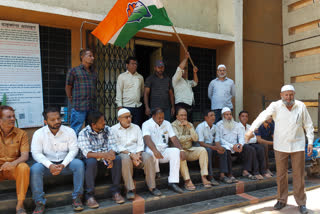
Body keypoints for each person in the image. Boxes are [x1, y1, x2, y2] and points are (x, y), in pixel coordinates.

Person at [245, 85, 314, 214]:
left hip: (298, 145)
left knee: (298, 175)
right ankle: (282, 200)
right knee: (281, 175)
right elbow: (263, 116)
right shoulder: (275, 105)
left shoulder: (301, 106)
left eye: (291, 94)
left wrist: (310, 142)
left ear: (294, 94)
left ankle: (301, 202)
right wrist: (250, 130)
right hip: (281, 145)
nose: (289, 98)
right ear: (281, 95)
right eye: (286, 95)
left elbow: (308, 125)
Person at [31, 106, 84, 214]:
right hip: (47, 166)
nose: (57, 121)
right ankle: (39, 202)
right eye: (53, 120)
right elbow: (36, 153)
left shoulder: (69, 131)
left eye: (58, 118)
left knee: (79, 164)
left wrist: (63, 164)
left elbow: (74, 150)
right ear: (45, 121)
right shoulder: (38, 133)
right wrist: (49, 165)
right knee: (35, 169)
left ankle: (77, 197)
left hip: (66, 164)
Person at [77, 111, 124, 207]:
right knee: (91, 161)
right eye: (101, 121)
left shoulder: (108, 129)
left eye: (104, 120)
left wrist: (110, 156)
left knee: (117, 159)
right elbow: (88, 153)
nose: (104, 123)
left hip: (105, 159)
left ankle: (116, 192)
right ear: (93, 124)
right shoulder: (83, 133)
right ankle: (89, 196)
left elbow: (113, 146)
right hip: (92, 160)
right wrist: (105, 155)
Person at [111, 108, 161, 199]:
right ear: (119, 119)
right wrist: (131, 155)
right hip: (124, 153)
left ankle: (152, 187)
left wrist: (137, 155)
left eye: (130, 116)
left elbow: (140, 144)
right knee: (125, 159)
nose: (129, 119)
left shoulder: (136, 127)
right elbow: (117, 146)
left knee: (148, 157)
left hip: (137, 153)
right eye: (126, 117)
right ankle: (130, 189)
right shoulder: (113, 129)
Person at [142, 108, 186, 193]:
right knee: (150, 152)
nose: (161, 119)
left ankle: (173, 182)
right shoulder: (146, 124)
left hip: (163, 151)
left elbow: (173, 138)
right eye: (159, 118)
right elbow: (147, 139)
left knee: (175, 152)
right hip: (153, 151)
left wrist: (181, 150)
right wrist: (155, 150)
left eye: (163, 117)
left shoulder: (167, 123)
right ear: (153, 116)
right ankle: (155, 173)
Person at [172, 107, 211, 190]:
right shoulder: (173, 125)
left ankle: (204, 176)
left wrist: (189, 126)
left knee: (203, 150)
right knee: (180, 153)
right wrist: (190, 137)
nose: (183, 117)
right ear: (177, 116)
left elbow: (196, 138)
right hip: (180, 151)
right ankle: (187, 180)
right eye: (181, 115)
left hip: (190, 150)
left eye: (185, 115)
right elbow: (178, 138)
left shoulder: (190, 124)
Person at [0, 106, 29, 214]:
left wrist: (12, 163)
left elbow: (25, 156)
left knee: (24, 167)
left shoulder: (22, 134)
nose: (12, 119)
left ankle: (20, 205)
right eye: (8, 117)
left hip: (14, 167)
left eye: (13, 116)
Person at [217, 107, 258, 184]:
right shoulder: (219, 125)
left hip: (237, 147)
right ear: (223, 116)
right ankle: (229, 174)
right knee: (227, 150)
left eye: (230, 114)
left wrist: (240, 145)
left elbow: (241, 137)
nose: (229, 116)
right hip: (227, 147)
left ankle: (246, 171)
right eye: (227, 115)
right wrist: (232, 146)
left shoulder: (236, 124)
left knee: (249, 148)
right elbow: (220, 139)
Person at [65, 48, 97, 135]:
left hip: (91, 106)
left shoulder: (94, 72)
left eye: (92, 56)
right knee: (76, 128)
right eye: (90, 56)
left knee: (91, 129)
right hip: (79, 105)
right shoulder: (74, 71)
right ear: (82, 57)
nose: (92, 58)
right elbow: (68, 86)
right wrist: (70, 98)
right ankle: (74, 148)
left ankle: (88, 147)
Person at [238, 110, 271, 179]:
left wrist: (248, 138)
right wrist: (249, 137)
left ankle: (263, 171)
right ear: (239, 117)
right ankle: (256, 172)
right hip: (241, 147)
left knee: (261, 148)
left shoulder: (250, 126)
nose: (244, 118)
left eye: (246, 116)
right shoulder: (237, 126)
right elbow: (241, 140)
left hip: (249, 144)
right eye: (242, 116)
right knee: (251, 149)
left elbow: (255, 139)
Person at [195, 109, 224, 186]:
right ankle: (210, 176)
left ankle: (223, 175)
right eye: (211, 116)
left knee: (224, 150)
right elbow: (201, 143)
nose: (213, 117)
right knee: (208, 151)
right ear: (206, 118)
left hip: (211, 146)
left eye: (214, 115)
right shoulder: (200, 127)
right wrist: (213, 147)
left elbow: (217, 141)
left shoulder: (215, 127)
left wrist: (219, 148)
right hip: (201, 147)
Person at [116, 57, 144, 127]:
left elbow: (142, 91)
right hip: (126, 106)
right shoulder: (122, 77)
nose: (134, 65)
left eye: (136, 64)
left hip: (137, 106)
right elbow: (119, 91)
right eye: (132, 64)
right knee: (126, 126)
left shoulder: (140, 77)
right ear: (127, 65)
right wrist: (120, 106)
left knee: (137, 126)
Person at [172, 52, 198, 122]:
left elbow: (195, 82)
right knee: (180, 124)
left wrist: (194, 73)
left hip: (189, 106)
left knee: (189, 125)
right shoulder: (176, 79)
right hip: (181, 105)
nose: (184, 71)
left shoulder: (188, 82)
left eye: (185, 69)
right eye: (183, 70)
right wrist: (186, 58)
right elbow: (179, 69)